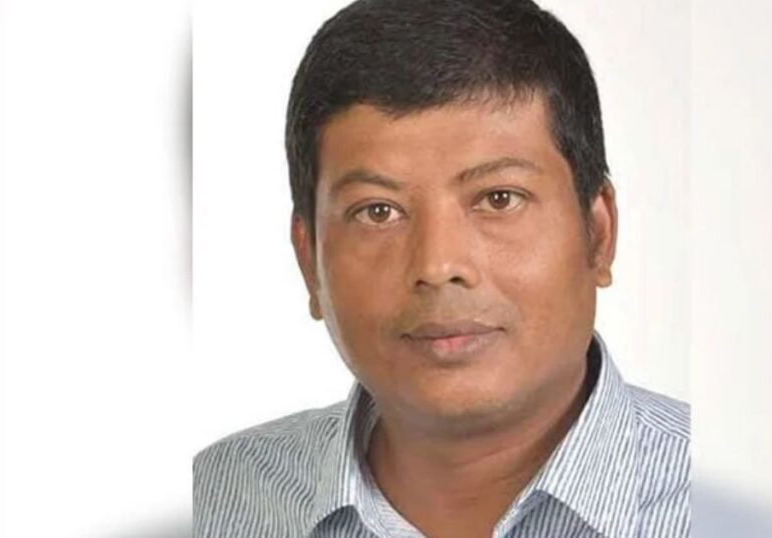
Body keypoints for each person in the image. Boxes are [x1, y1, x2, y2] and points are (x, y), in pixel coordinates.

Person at [193, 0, 690, 536]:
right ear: (308, 258)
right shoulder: (214, 501)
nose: (437, 265)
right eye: (377, 211)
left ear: (598, 234)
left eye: (499, 198)